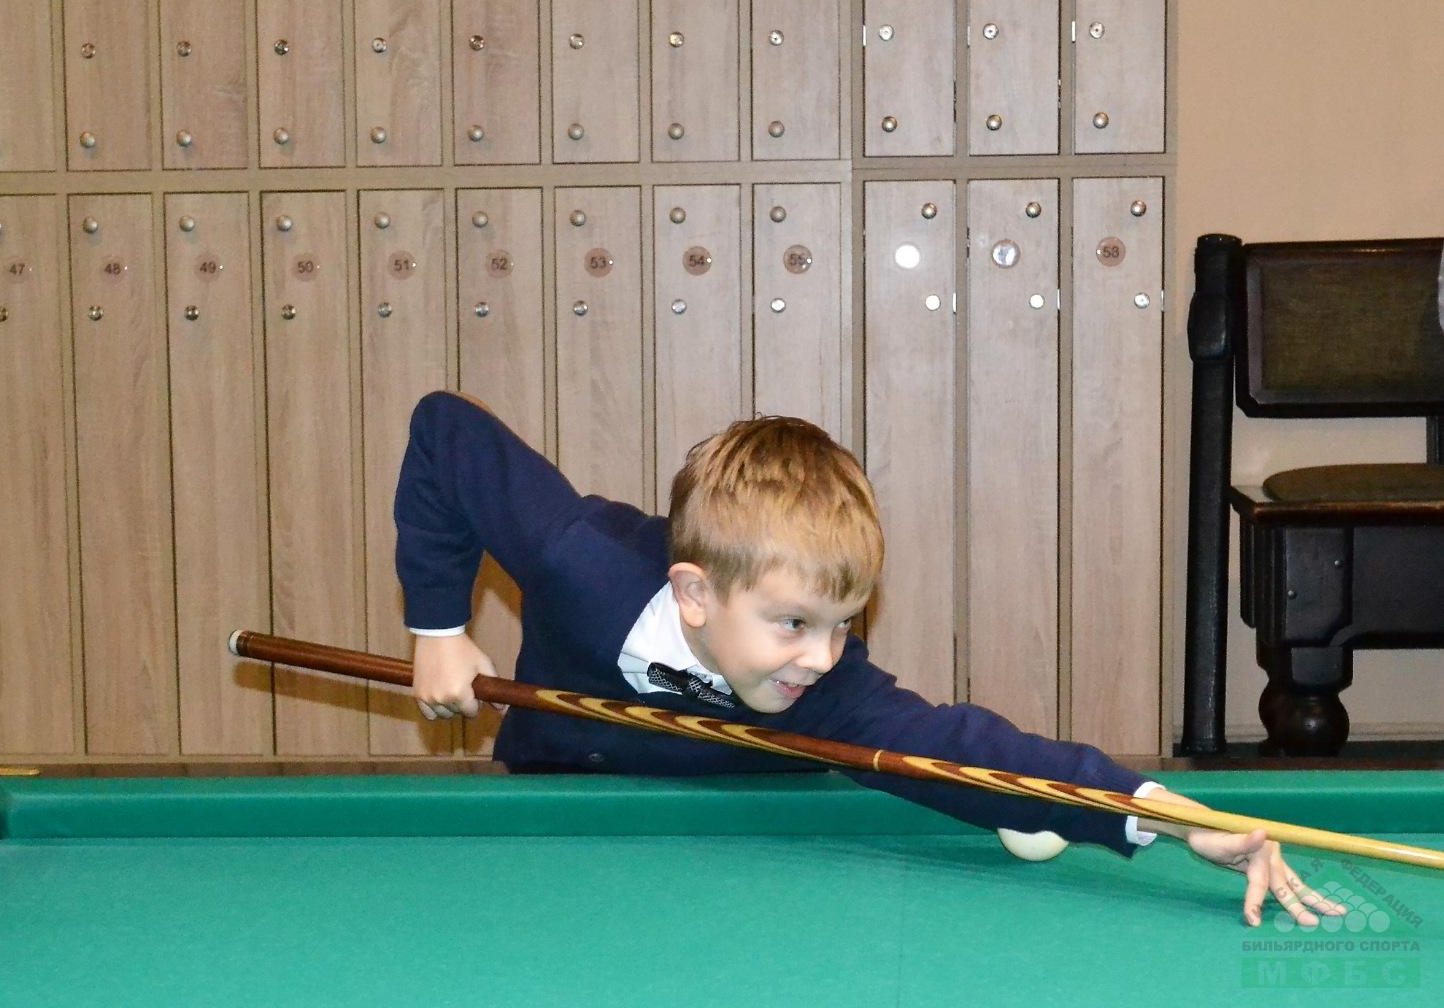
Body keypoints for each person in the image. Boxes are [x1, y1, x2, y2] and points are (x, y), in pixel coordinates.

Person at [394, 390, 1342, 929]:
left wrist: (1168, 815)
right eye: (793, 623)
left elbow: (962, 746)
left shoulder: (820, 688)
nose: (822, 655)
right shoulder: (581, 560)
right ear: (695, 594)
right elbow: (445, 430)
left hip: (744, 874)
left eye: (843, 624)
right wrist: (439, 628)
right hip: (549, 809)